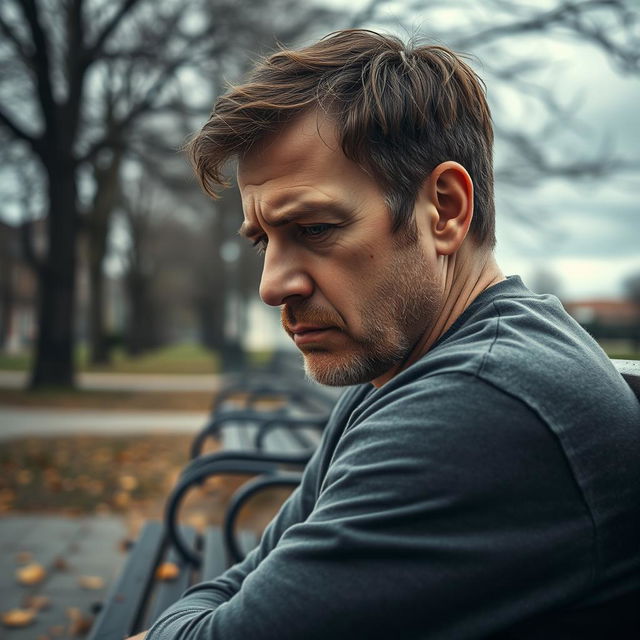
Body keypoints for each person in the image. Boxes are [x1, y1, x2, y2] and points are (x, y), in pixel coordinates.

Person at [137, 29, 640, 639]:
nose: (272, 286)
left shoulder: (482, 400)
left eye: (316, 229)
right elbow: (246, 577)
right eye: (264, 240)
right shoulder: (403, 369)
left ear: (446, 209)